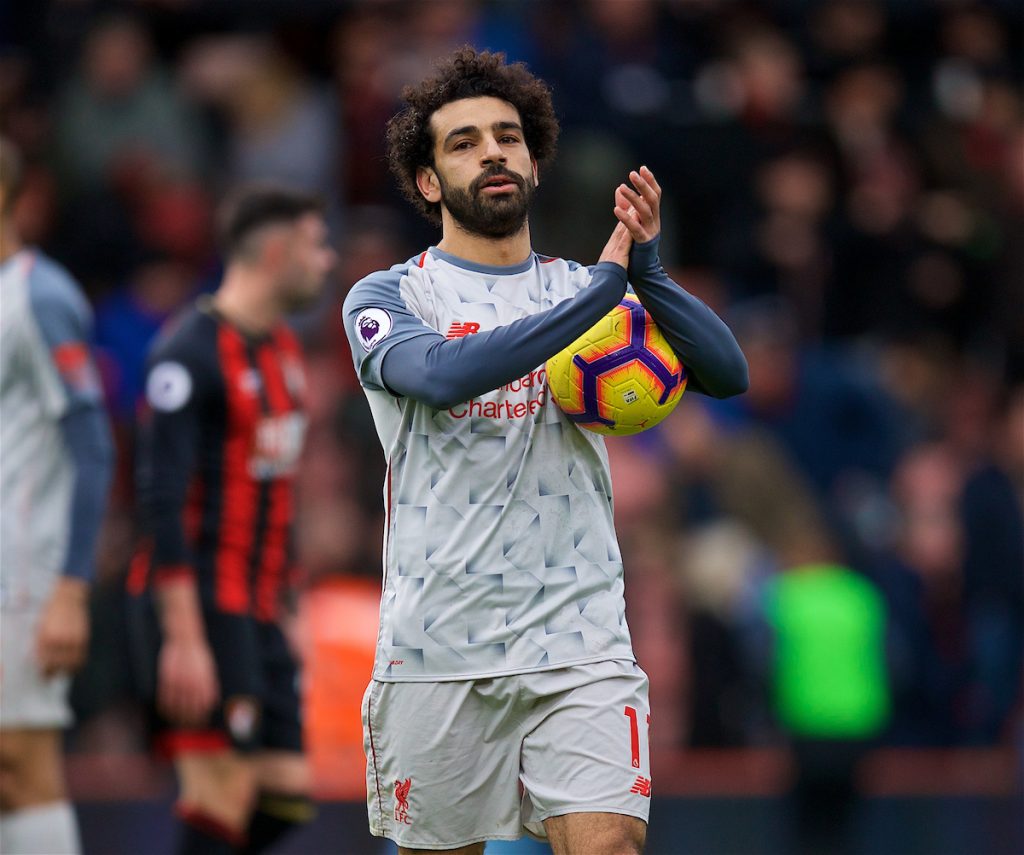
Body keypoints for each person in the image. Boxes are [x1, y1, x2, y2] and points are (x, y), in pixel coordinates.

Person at [341, 48, 749, 855]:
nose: (493, 151)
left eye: (508, 137)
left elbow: (728, 373)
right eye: (463, 142)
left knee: (609, 847)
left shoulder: (584, 289)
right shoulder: (390, 295)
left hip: (579, 640)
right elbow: (436, 375)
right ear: (428, 182)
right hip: (437, 645)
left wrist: (651, 270)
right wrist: (605, 290)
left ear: (533, 161)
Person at [127, 185, 336, 854]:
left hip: (260, 605)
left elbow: (280, 487)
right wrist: (183, 637)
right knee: (217, 792)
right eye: (315, 244)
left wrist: (291, 603)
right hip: (200, 604)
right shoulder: (185, 355)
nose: (327, 260)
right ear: (276, 252)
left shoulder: (280, 350)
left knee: (285, 795)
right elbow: (160, 501)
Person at [0, 135, 115, 854]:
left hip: (23, 571)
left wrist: (70, 586)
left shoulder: (38, 297)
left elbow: (93, 443)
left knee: (20, 761)